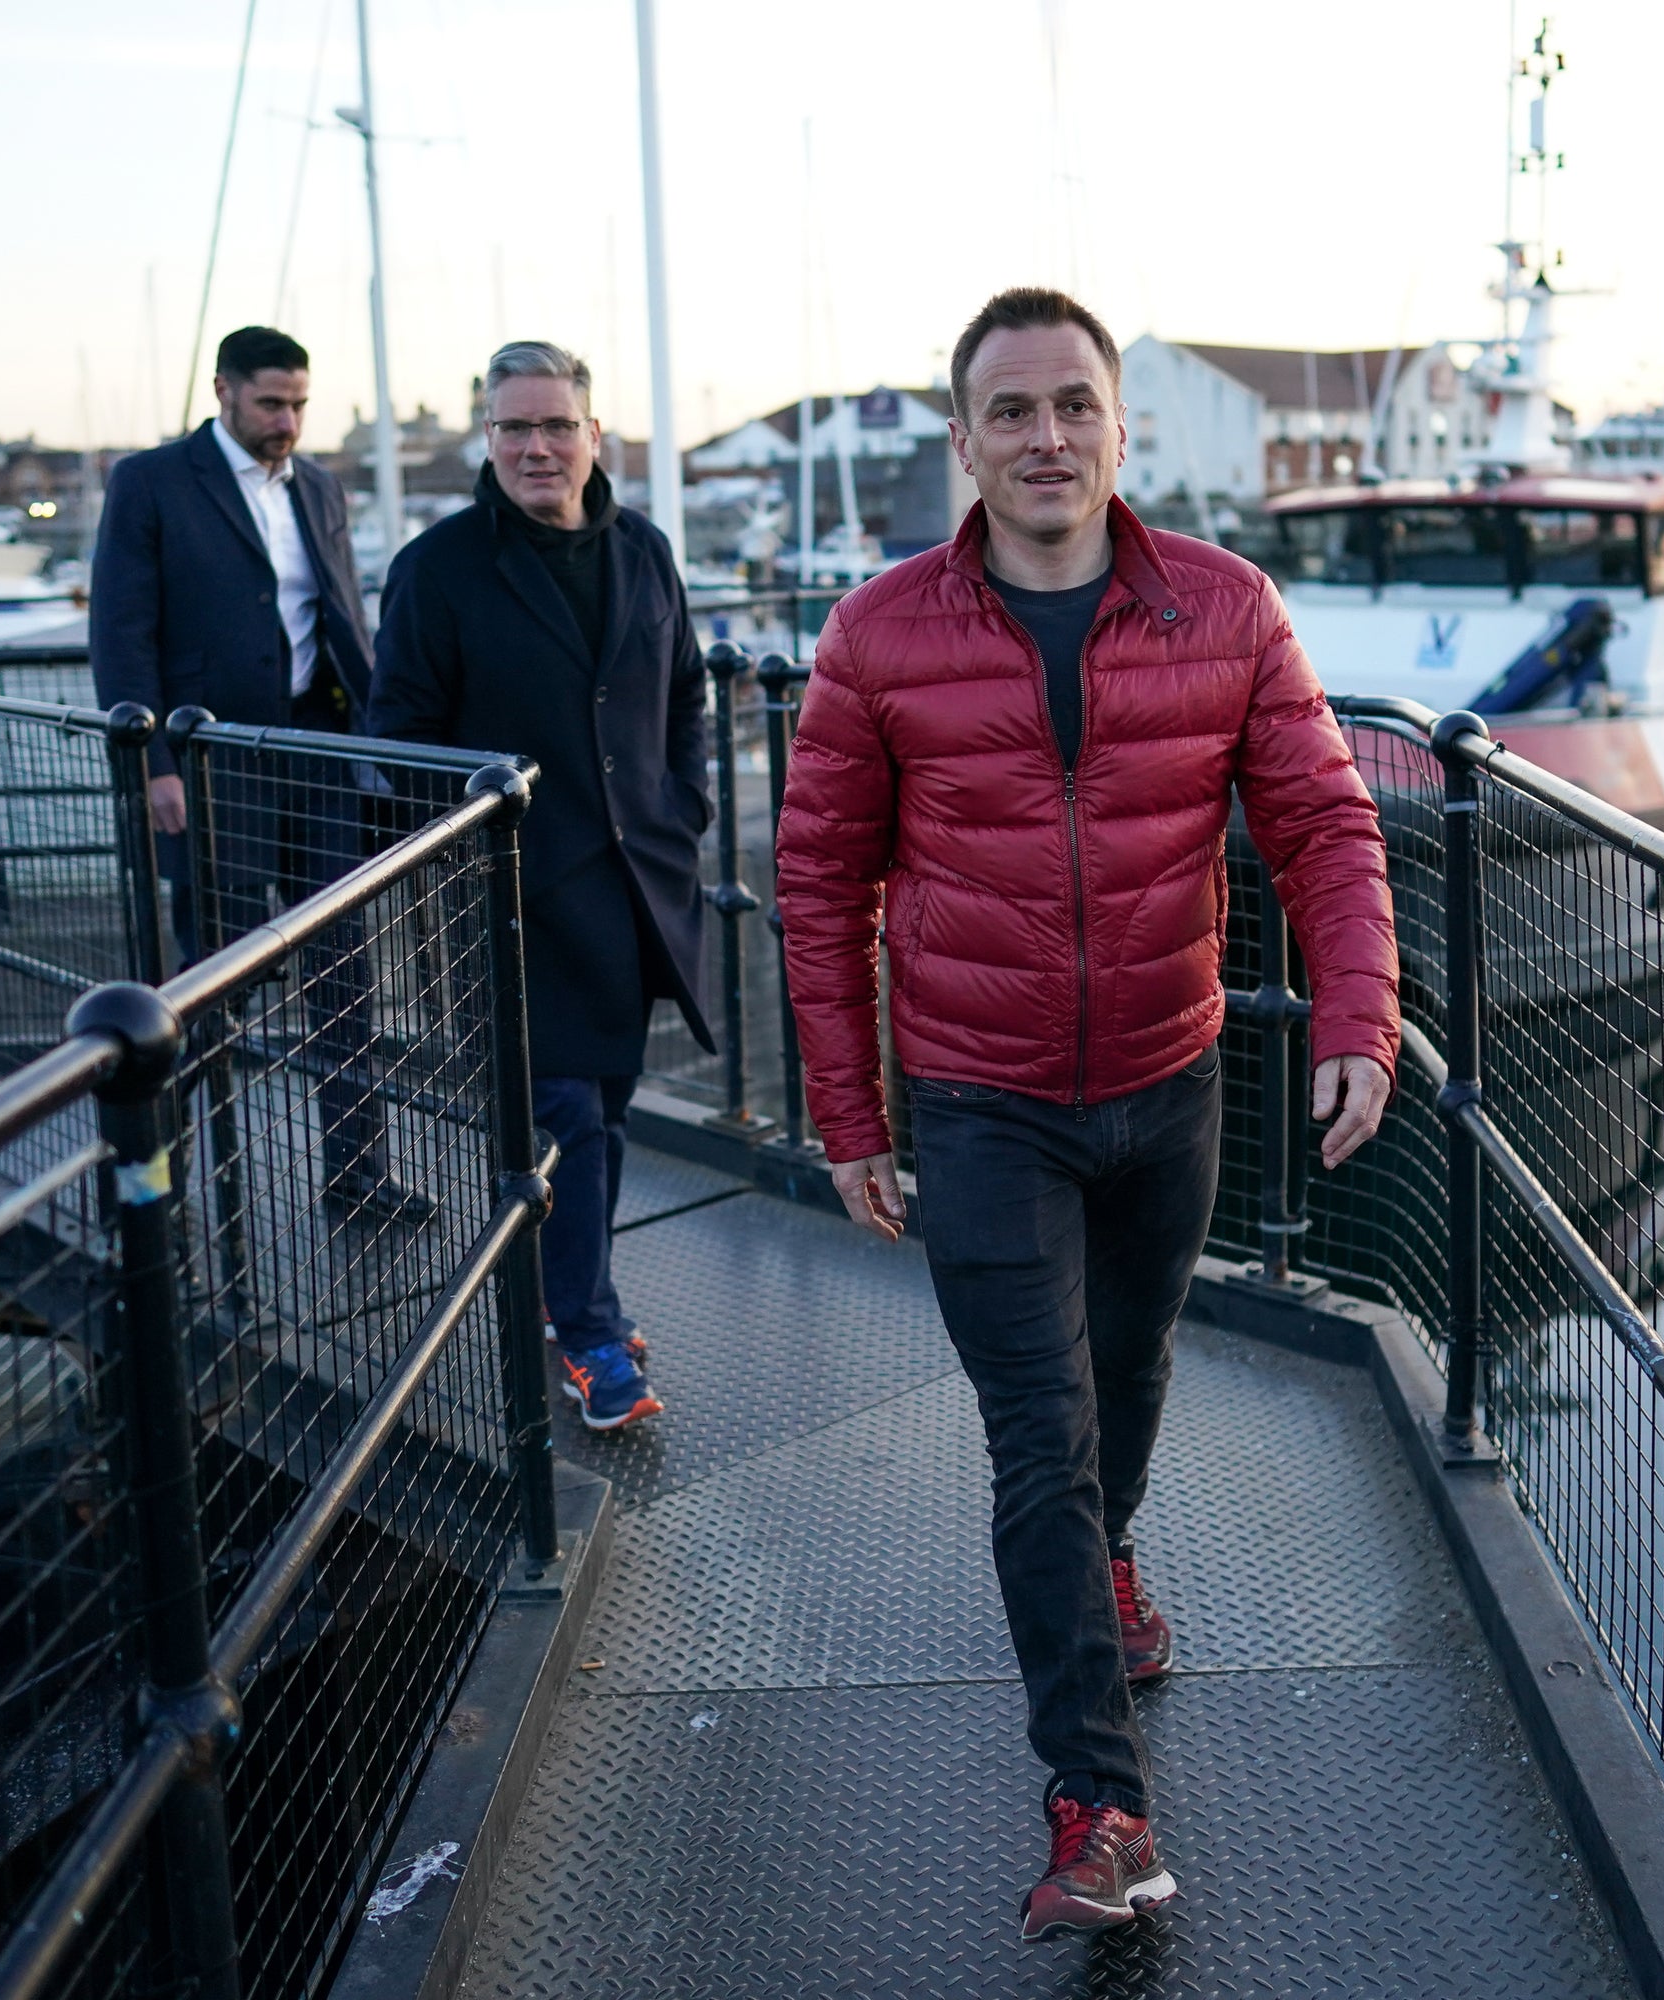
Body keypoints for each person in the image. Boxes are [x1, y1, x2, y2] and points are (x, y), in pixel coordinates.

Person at [775, 288, 1399, 1939]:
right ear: (964, 438)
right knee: (1036, 1432)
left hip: (1170, 1080)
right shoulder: (879, 634)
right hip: (981, 1107)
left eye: (1075, 406)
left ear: (1119, 428)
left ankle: (1112, 1567)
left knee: (1126, 1380)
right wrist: (853, 1115)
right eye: (1010, 411)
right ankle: (1098, 1801)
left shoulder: (1227, 609)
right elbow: (821, 889)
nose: (1045, 437)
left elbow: (1329, 827)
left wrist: (1357, 1011)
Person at [367, 340, 713, 1433]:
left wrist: (685, 808)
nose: (536, 447)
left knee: (603, 1108)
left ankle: (573, 1304)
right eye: (514, 428)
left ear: (592, 435)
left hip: (629, 888)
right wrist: (467, 854)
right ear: (487, 437)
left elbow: (687, 697)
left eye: (555, 426)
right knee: (565, 1112)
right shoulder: (440, 567)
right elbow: (397, 740)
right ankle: (594, 1331)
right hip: (514, 895)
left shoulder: (646, 551)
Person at [89, 324, 427, 1222]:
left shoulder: (318, 486)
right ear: (224, 392)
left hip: (318, 757)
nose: (288, 422)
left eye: (299, 405)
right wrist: (153, 763)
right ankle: (163, 1185)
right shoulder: (152, 482)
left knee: (344, 972)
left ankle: (358, 1179)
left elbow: (347, 624)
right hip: (211, 766)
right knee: (210, 987)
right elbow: (121, 633)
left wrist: (386, 745)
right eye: (272, 403)